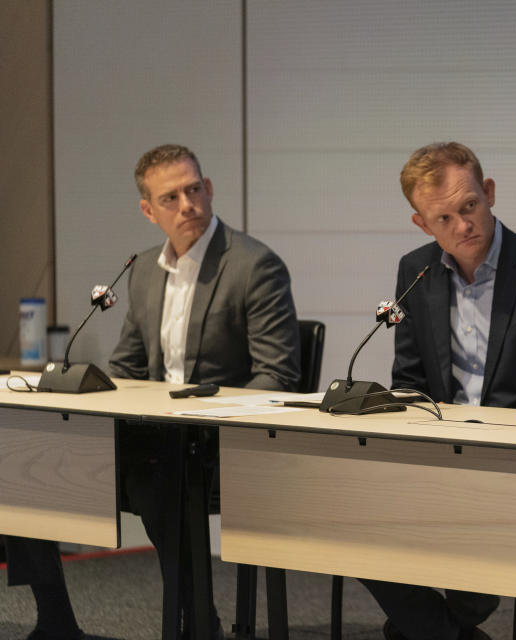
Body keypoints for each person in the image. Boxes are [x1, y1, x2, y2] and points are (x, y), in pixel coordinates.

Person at [4, 144, 301, 640]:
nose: (187, 204)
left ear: (208, 189)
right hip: (153, 438)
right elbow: (128, 368)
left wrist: (202, 415)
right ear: (148, 210)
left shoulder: (253, 266)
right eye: (170, 198)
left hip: (217, 446)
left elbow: (278, 377)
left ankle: (198, 621)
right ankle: (54, 618)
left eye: (193, 189)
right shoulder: (141, 270)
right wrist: (88, 391)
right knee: (25, 457)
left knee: (158, 477)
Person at [364, 142, 516, 640]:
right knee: (350, 513)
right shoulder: (417, 271)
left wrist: (479, 433)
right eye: (443, 218)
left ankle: (424, 628)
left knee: (435, 585)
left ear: (488, 193)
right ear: (422, 225)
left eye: (469, 207)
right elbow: (410, 381)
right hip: (439, 455)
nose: (462, 226)